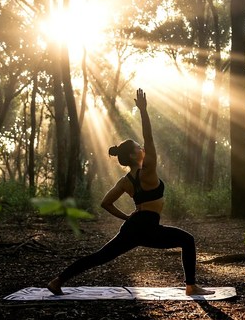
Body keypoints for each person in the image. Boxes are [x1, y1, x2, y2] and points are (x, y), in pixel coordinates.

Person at [47, 89, 214, 296]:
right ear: (135, 155)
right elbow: (149, 137)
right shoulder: (148, 171)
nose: (143, 146)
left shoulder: (125, 181)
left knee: (100, 256)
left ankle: (58, 280)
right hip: (149, 228)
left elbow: (105, 203)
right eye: (138, 146)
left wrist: (127, 217)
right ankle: (191, 286)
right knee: (187, 240)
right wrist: (143, 111)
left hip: (134, 228)